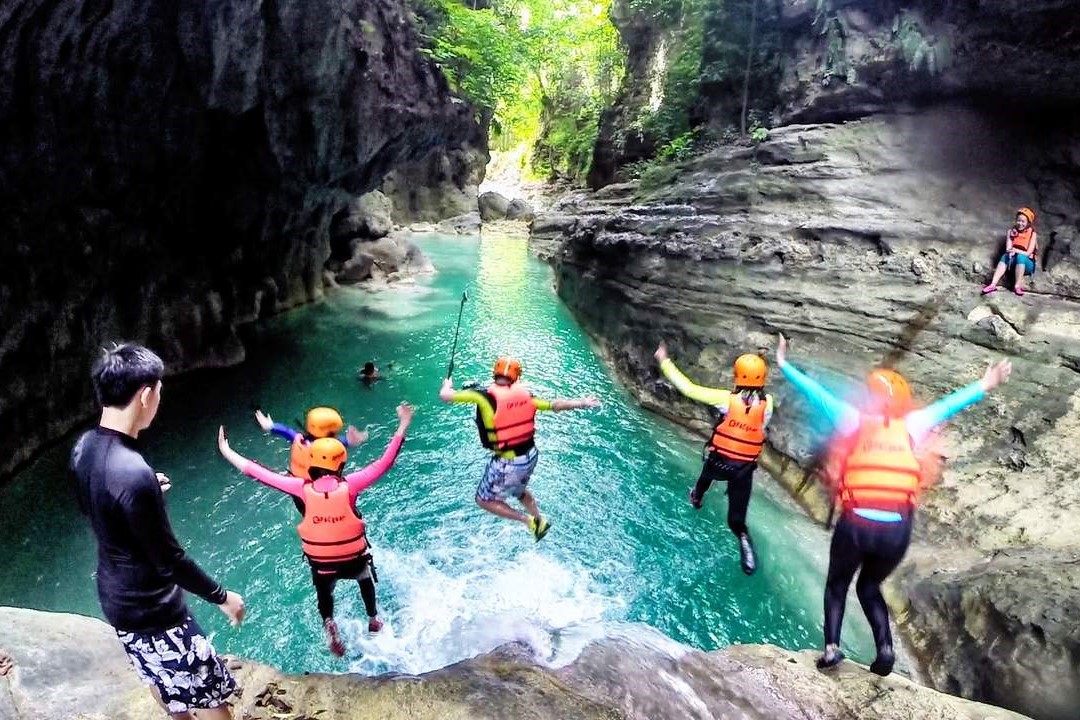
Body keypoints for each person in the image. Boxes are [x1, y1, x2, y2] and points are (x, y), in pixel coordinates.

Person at [775, 333, 1012, 676]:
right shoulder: (914, 425)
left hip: (857, 524)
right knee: (869, 586)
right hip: (896, 530)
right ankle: (885, 649)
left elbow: (815, 393)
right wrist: (987, 382)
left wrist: (783, 364)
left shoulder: (852, 418)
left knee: (837, 585)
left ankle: (831, 649)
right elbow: (952, 403)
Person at [72, 343, 245, 720]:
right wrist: (222, 596)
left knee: (158, 675)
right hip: (154, 608)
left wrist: (146, 492)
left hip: (115, 599)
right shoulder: (132, 473)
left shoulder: (84, 447)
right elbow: (170, 560)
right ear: (146, 395)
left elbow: (97, 502)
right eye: (159, 392)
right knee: (212, 693)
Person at [218, 402, 413, 657]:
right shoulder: (351, 485)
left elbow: (257, 472)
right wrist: (403, 424)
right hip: (353, 560)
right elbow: (385, 461)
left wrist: (226, 450)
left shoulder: (300, 488)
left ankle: (329, 622)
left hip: (323, 565)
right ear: (341, 462)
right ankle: (373, 619)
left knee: (324, 593)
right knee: (365, 577)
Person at [439, 356, 600, 541]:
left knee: (483, 500)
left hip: (509, 461)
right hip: (530, 456)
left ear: (494, 373)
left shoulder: (481, 396)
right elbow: (554, 405)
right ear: (516, 378)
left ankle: (528, 521)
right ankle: (540, 522)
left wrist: (447, 385)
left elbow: (445, 396)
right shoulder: (527, 397)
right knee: (518, 491)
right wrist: (582, 402)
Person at [654, 342, 772, 575]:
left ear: (736, 377)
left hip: (720, 462)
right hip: (743, 470)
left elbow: (688, 388)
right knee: (736, 521)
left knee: (706, 474)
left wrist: (663, 359)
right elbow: (760, 426)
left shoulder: (726, 399)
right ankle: (744, 542)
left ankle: (697, 497)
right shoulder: (768, 403)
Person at [253, 406, 366, 480]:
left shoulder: (300, 440)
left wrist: (271, 426)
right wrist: (353, 440)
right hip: (319, 486)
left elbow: (287, 431)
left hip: (298, 483)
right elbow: (345, 441)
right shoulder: (334, 444)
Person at [982, 207, 1039, 296]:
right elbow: (1008, 248)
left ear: (1028, 223)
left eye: (1023, 221)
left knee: (1021, 257)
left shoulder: (1032, 234)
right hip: (1013, 262)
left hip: (1027, 263)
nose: (1020, 223)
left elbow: (1028, 253)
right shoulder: (1011, 232)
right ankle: (993, 284)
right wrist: (1010, 252)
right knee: (1005, 256)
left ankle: (1017, 286)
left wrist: (1016, 250)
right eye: (1018, 221)